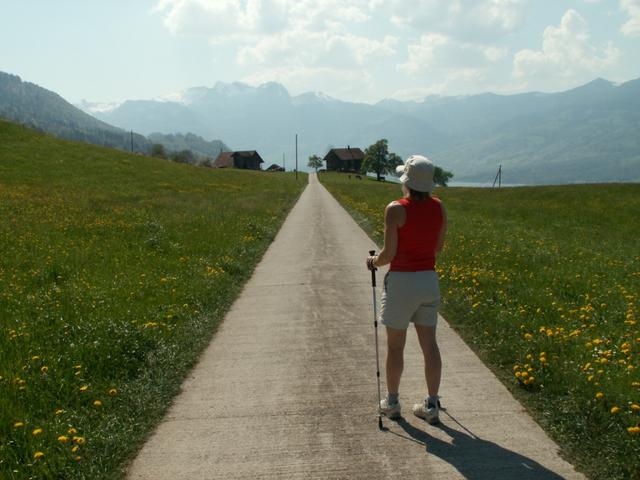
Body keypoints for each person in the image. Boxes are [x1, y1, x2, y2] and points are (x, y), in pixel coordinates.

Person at [366, 154, 447, 424]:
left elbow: (388, 254)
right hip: (428, 280)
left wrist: (373, 262)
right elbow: (437, 247)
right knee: (430, 345)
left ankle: (392, 402)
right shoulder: (439, 207)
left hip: (402, 282)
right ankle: (432, 403)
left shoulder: (395, 209)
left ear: (406, 181)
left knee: (395, 347)